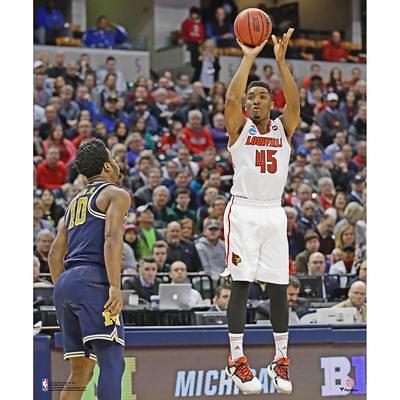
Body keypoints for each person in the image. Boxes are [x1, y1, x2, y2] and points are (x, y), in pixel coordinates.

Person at [221, 29, 299, 394]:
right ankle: (236, 359)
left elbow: (296, 104)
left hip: (273, 212)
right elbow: (229, 98)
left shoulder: (284, 129)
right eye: (250, 97)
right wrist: (249, 57)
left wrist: (281, 63)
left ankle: (280, 361)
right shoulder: (239, 129)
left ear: (271, 103)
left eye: (261, 96)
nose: (253, 100)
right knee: (242, 283)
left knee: (279, 288)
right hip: (244, 211)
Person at [48, 138, 131, 400]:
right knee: (112, 361)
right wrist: (115, 287)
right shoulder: (116, 194)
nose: (118, 164)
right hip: (93, 279)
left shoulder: (74, 202)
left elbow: (53, 254)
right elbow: (111, 239)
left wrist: (66, 288)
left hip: (66, 283)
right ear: (107, 166)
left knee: (80, 371)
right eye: (114, 159)